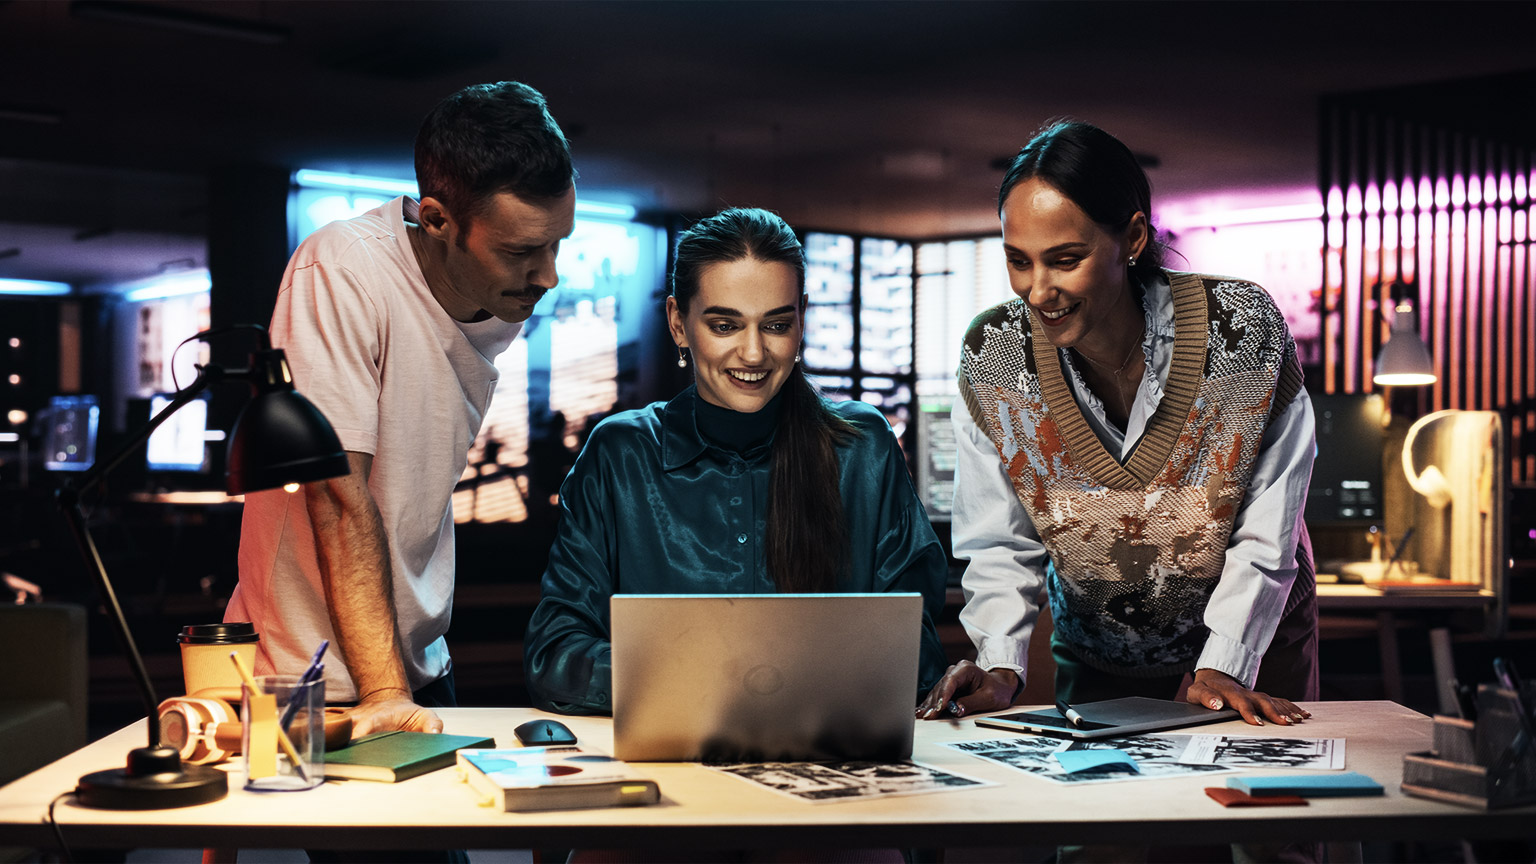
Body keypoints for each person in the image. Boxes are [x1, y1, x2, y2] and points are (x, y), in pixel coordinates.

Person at [918, 120, 1319, 730]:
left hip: (1254, 642)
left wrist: (1227, 659)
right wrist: (998, 662)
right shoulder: (994, 356)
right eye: (1018, 261)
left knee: (1256, 814)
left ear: (1131, 237)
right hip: (1098, 649)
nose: (1038, 289)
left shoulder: (1242, 333)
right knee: (1101, 808)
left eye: (1065, 259)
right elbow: (999, 540)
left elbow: (1269, 529)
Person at [231, 81, 576, 737]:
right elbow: (335, 495)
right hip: (314, 678)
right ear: (438, 220)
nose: (548, 275)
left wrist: (403, 679)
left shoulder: (502, 297)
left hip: (417, 662)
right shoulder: (342, 269)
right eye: (522, 251)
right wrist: (384, 690)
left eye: (558, 243)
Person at [524, 207, 947, 715]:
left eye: (776, 324)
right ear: (679, 323)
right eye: (725, 324)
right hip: (672, 769)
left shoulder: (863, 446)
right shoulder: (621, 454)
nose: (753, 353)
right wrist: (726, 679)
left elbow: (913, 649)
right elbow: (556, 655)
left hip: (834, 763)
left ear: (802, 320)